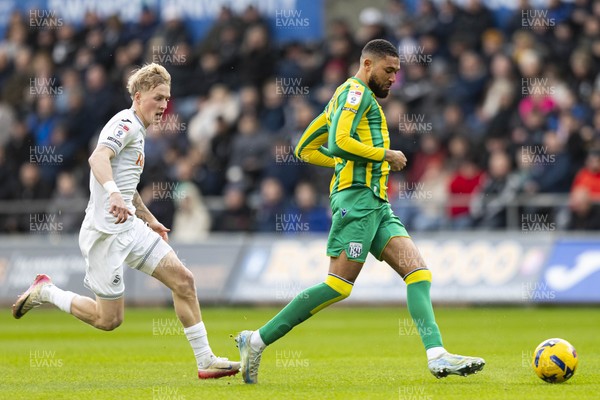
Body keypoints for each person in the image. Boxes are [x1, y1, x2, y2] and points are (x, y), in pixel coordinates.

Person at [235, 39, 484, 384]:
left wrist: (342, 165)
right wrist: (386, 155)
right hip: (357, 201)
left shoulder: (341, 98)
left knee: (418, 274)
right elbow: (337, 142)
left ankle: (437, 355)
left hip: (376, 202)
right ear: (367, 64)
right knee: (338, 286)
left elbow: (305, 147)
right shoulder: (354, 94)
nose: (394, 78)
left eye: (397, 71)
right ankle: (256, 340)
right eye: (388, 70)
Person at [12, 63, 240, 380]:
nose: (163, 105)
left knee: (184, 281)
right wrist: (113, 194)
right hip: (104, 234)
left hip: (130, 227)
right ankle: (47, 291)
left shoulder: (140, 130)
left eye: (167, 99)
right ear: (138, 95)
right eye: (158, 97)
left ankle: (205, 360)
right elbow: (97, 158)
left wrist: (149, 219)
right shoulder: (125, 123)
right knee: (109, 320)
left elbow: (127, 186)